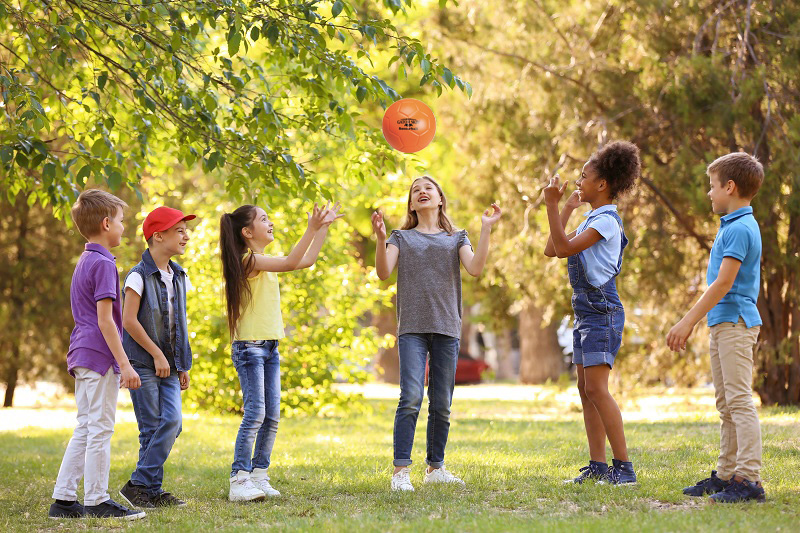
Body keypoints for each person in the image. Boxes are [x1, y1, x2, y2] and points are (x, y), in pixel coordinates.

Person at [372, 175, 501, 492]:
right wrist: (378, 237)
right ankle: (400, 471)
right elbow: (383, 272)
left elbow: (475, 268)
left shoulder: (457, 237)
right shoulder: (400, 237)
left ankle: (435, 467)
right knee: (412, 397)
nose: (422, 191)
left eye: (428, 188)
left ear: (440, 199)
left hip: (447, 327)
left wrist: (486, 229)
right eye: (416, 190)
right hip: (412, 328)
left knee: (441, 402)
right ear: (412, 204)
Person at [220, 202, 342, 501]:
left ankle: (259, 474)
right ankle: (239, 478)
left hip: (270, 346)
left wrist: (322, 229)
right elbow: (290, 261)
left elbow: (304, 261)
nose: (270, 222)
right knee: (256, 413)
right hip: (250, 347)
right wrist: (310, 227)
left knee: (272, 415)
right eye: (264, 218)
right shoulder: (248, 261)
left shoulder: (261, 260)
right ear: (247, 231)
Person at [667, 152, 766, 503]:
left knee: (739, 402)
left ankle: (749, 479)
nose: (709, 193)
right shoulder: (733, 225)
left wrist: (687, 321)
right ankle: (727, 474)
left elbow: (723, 283)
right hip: (724, 324)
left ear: (730, 186)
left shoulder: (739, 228)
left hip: (736, 323)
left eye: (712, 187)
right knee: (726, 404)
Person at [543, 141, 640, 485]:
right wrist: (564, 207)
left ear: (602, 185)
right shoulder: (591, 217)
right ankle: (598, 466)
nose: (578, 181)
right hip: (586, 311)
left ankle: (624, 468)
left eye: (584, 177)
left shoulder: (607, 221)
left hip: (603, 310)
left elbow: (566, 247)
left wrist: (553, 206)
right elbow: (551, 249)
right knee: (586, 389)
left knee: (598, 389)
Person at [49, 189, 145, 520]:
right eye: (120, 222)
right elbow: (107, 321)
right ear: (106, 224)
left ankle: (63, 499)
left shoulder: (86, 259)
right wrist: (124, 363)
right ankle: (97, 499)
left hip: (83, 353)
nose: (123, 228)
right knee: (100, 428)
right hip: (100, 356)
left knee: (86, 427)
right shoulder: (104, 263)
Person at [119, 206, 198, 509]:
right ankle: (150, 490)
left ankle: (141, 484)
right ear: (158, 235)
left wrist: (181, 364)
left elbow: (180, 322)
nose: (186, 236)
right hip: (143, 362)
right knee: (151, 427)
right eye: (179, 231)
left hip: (169, 364)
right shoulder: (138, 276)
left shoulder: (178, 276)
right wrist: (156, 354)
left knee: (173, 423)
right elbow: (128, 321)